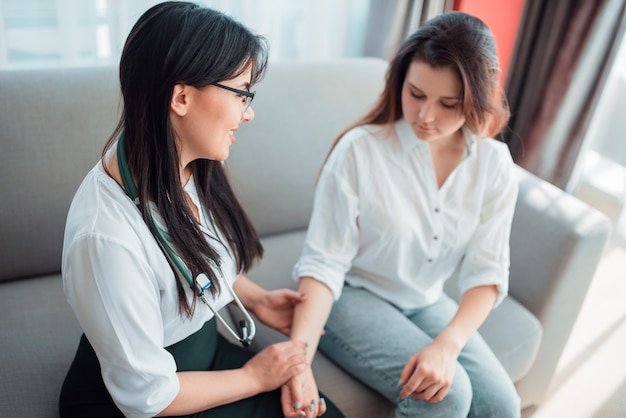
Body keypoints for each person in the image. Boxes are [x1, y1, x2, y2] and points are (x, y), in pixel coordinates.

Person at [58, 2, 343, 418]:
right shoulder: (105, 238)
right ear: (182, 97)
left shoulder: (192, 159)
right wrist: (256, 377)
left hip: (199, 360)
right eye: (242, 93)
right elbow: (147, 397)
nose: (249, 113)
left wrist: (255, 298)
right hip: (146, 400)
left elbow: (192, 255)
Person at [287, 11, 521, 418]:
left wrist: (448, 345)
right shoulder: (359, 151)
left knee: (503, 405)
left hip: (427, 300)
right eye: (415, 94)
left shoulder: (494, 164)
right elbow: (324, 264)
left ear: (476, 101)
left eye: (448, 103)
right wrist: (298, 361)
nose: (425, 116)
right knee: (446, 395)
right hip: (353, 294)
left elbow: (487, 272)